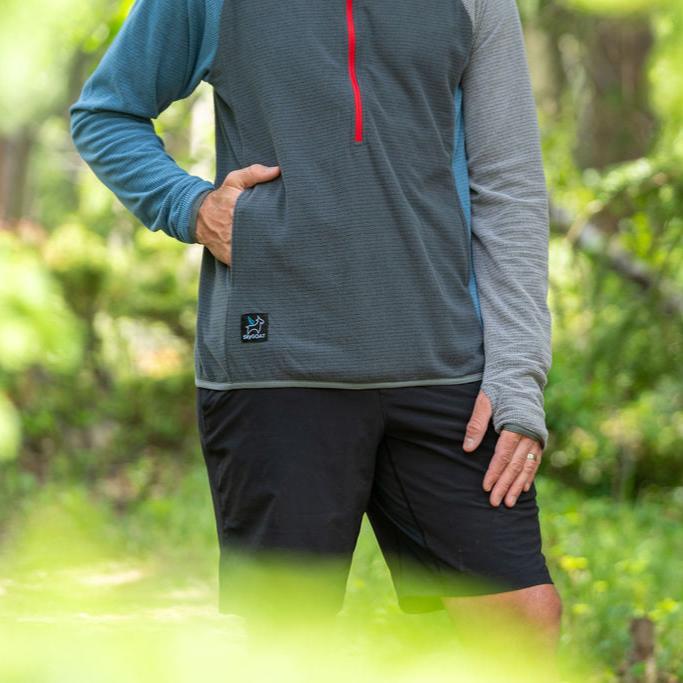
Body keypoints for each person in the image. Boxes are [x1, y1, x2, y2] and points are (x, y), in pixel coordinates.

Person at [70, 0, 562, 651]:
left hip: (444, 365)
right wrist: (192, 206)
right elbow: (106, 113)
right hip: (278, 363)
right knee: (288, 642)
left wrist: (518, 371)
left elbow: (508, 178)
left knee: (524, 622)